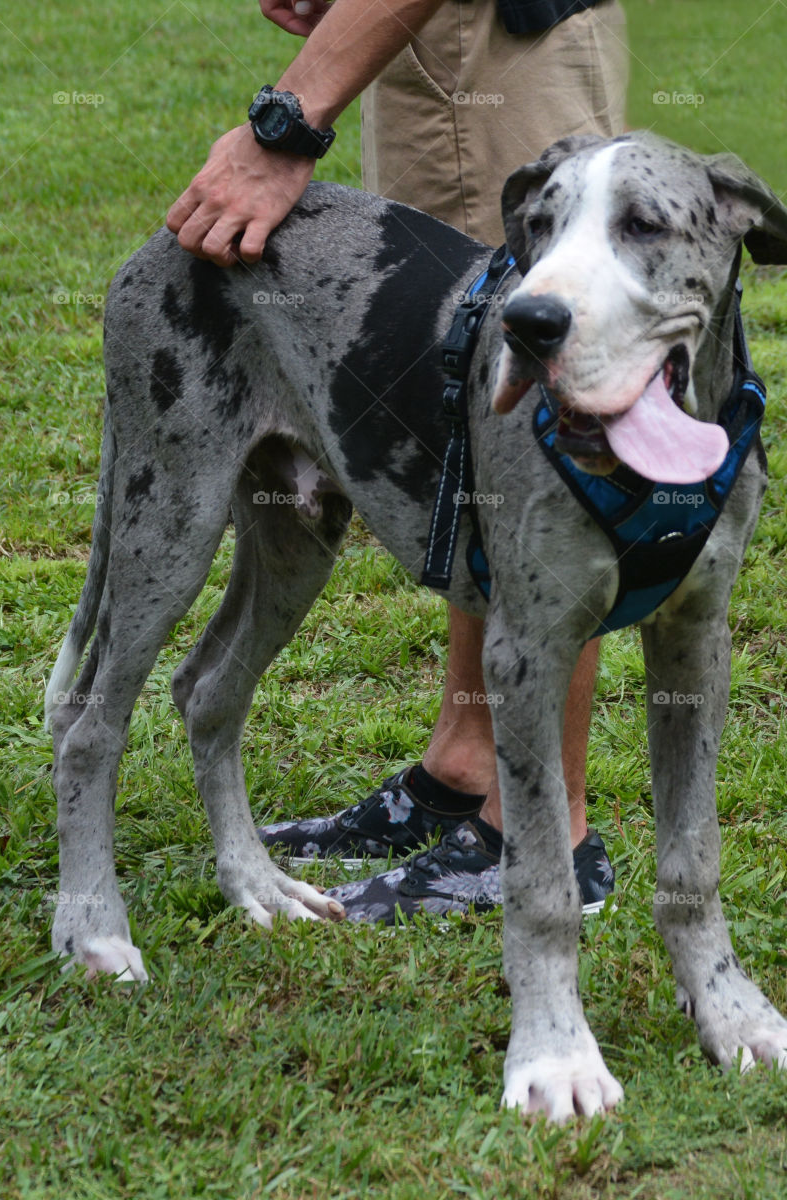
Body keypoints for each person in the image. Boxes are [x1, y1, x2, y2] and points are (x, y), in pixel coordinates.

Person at [167, 0, 628, 923]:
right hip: (434, 42)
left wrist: (286, 122)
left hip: (504, 43)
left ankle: (540, 836)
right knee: (460, 409)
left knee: (540, 421)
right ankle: (465, 763)